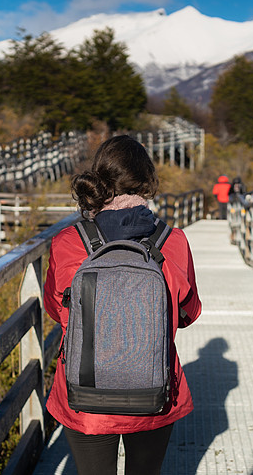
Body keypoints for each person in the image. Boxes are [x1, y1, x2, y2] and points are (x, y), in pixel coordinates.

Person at [43, 135, 202, 475]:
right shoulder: (172, 241)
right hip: (154, 389)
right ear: (148, 183)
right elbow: (189, 313)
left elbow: (57, 310)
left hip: (83, 394)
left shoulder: (67, 242)